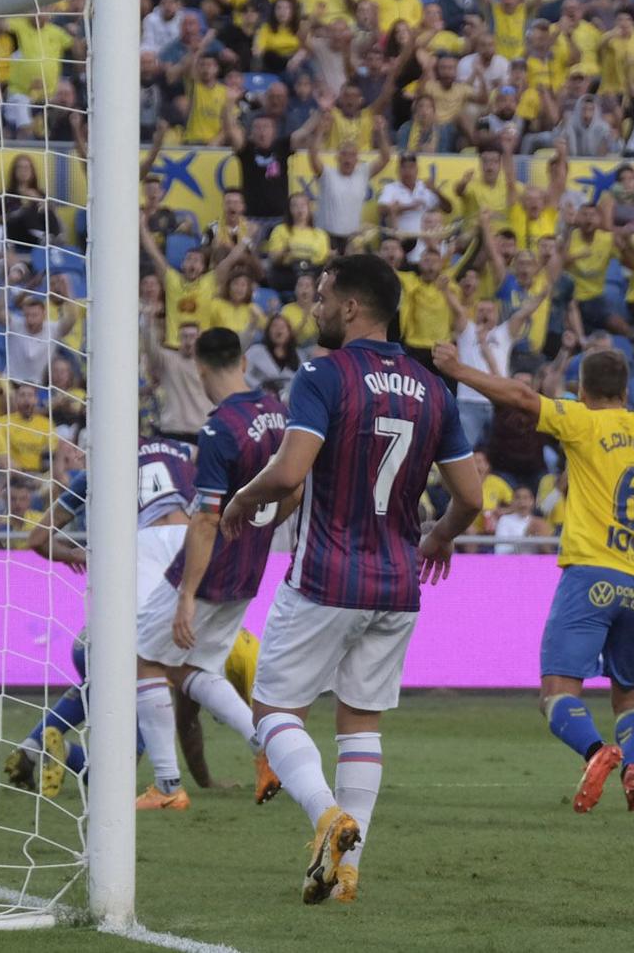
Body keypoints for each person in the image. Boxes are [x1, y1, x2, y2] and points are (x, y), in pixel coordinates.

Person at [217, 254, 484, 906]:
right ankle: (349, 873)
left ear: (352, 308)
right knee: (360, 724)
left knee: (274, 712)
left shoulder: (322, 374)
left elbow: (289, 471)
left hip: (325, 575)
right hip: (397, 584)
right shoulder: (432, 388)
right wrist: (441, 536)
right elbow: (472, 496)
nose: (314, 308)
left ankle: (328, 818)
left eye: (324, 297)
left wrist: (239, 500)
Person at [433, 332, 634, 811]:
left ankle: (598, 752)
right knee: (632, 701)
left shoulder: (579, 421)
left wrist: (457, 370)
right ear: (627, 391)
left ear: (582, 391)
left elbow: (520, 396)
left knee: (556, 695)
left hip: (590, 576)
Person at [134, 328, 289, 811]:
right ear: (243, 361)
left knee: (139, 659)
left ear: (199, 369)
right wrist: (264, 526)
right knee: (189, 667)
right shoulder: (277, 412)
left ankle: (166, 786)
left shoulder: (221, 429)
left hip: (211, 567)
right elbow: (296, 487)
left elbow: (203, 521)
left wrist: (185, 594)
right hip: (250, 565)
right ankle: (265, 746)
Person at [4, 437, 194, 797]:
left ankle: (32, 747)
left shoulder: (90, 479)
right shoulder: (176, 472)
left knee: (97, 683)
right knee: (117, 774)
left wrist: (76, 552)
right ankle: (66, 753)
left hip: (94, 631)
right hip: (142, 623)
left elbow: (38, 539)